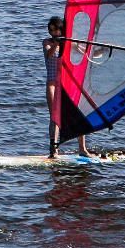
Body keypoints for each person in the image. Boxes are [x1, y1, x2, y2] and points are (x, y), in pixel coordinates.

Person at [45, 16, 93, 158]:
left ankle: (82, 149)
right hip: (52, 85)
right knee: (55, 117)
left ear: (61, 29)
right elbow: (49, 54)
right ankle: (54, 151)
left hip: (67, 85)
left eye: (56, 30)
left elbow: (85, 52)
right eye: (51, 30)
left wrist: (101, 50)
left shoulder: (68, 43)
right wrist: (56, 44)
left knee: (78, 115)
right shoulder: (47, 42)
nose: (53, 33)